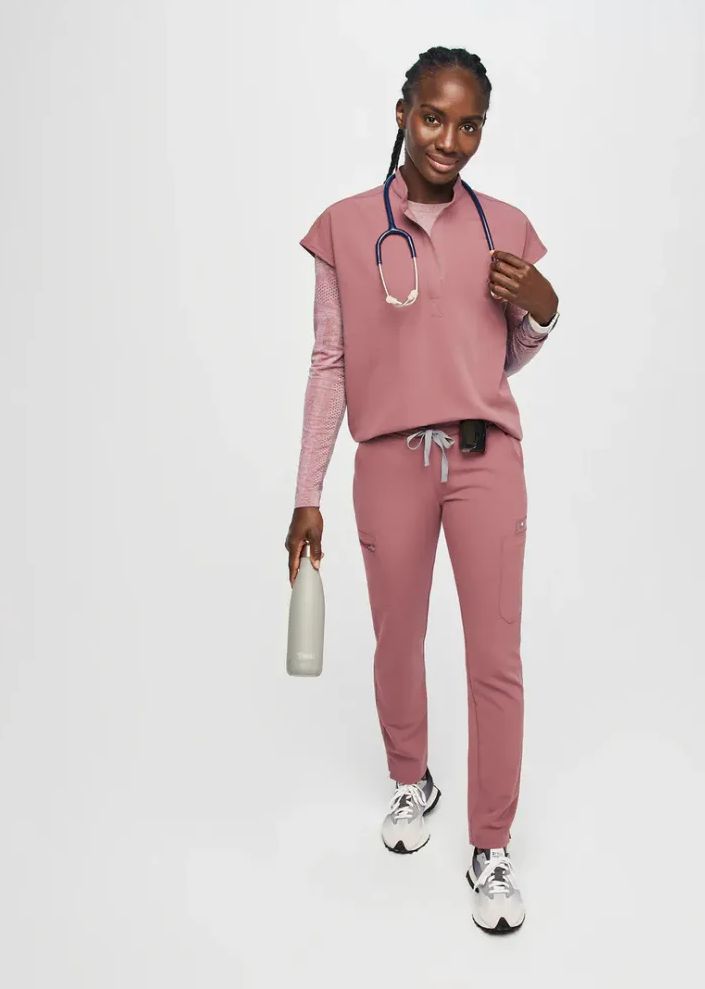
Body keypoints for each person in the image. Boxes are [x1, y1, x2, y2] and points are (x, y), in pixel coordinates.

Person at [285, 46, 559, 935]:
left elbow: (502, 357)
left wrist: (543, 306)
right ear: (403, 112)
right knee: (397, 638)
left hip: (485, 460)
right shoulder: (344, 226)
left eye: (470, 124)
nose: (450, 140)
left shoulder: (506, 226)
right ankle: (412, 780)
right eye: (435, 117)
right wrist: (306, 492)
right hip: (390, 461)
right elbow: (330, 362)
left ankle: (492, 845)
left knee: (495, 657)